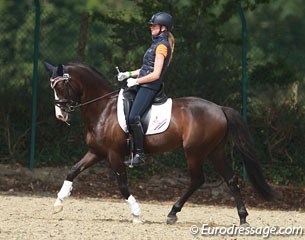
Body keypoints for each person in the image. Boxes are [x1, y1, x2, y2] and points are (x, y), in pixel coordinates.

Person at [118, 12, 175, 166]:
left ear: (163, 28)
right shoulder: (156, 44)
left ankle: (140, 155)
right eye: (151, 25)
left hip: (150, 86)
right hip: (144, 83)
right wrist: (127, 74)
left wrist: (136, 81)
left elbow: (155, 74)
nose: (151, 28)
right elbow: (145, 68)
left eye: (154, 25)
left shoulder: (162, 46)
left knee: (133, 117)